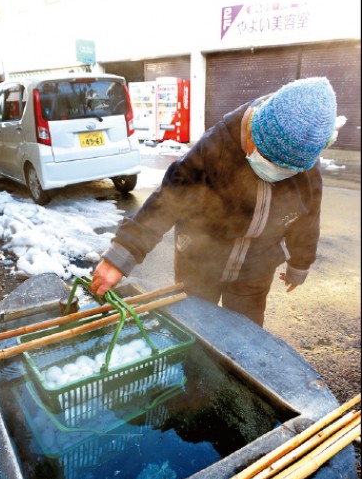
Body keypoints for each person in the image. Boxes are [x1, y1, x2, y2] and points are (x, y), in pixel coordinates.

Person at [91, 77, 345, 327]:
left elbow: (308, 216)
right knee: (195, 329)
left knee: (246, 335)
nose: (273, 171)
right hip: (199, 262)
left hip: (256, 270)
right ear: (254, 130)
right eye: (267, 158)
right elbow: (169, 198)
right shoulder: (219, 143)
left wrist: (300, 263)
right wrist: (121, 256)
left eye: (284, 169)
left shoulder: (306, 161)